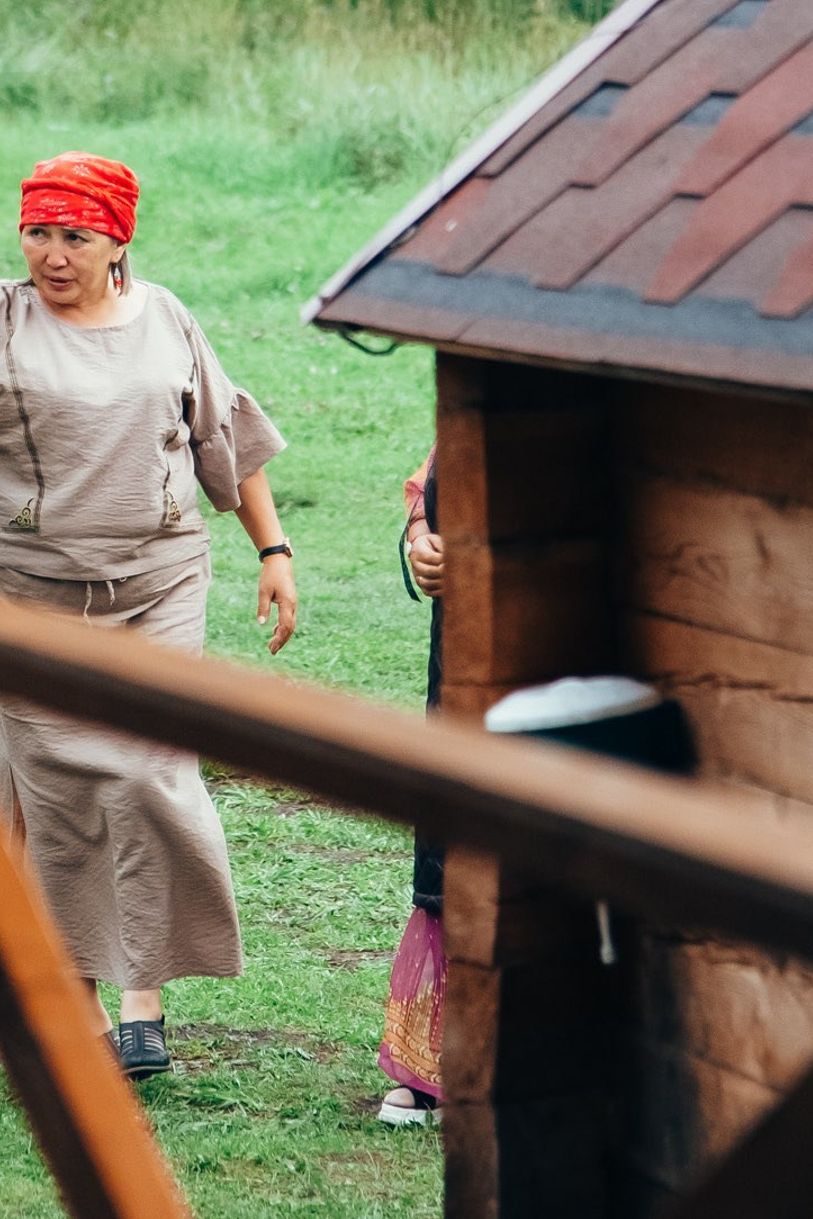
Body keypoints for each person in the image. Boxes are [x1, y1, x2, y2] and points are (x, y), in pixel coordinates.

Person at [0, 151, 299, 1080]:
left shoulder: (167, 317)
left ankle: (146, 993)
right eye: (39, 233)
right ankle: (83, 1000)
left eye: (76, 236)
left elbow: (223, 436)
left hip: (161, 580)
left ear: (117, 241)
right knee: (54, 789)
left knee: (151, 771)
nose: (53, 255)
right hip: (28, 589)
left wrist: (274, 550)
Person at [379, 448, 446, 1128]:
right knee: (451, 840)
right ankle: (428, 1065)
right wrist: (421, 538)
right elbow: (426, 486)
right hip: (463, 649)